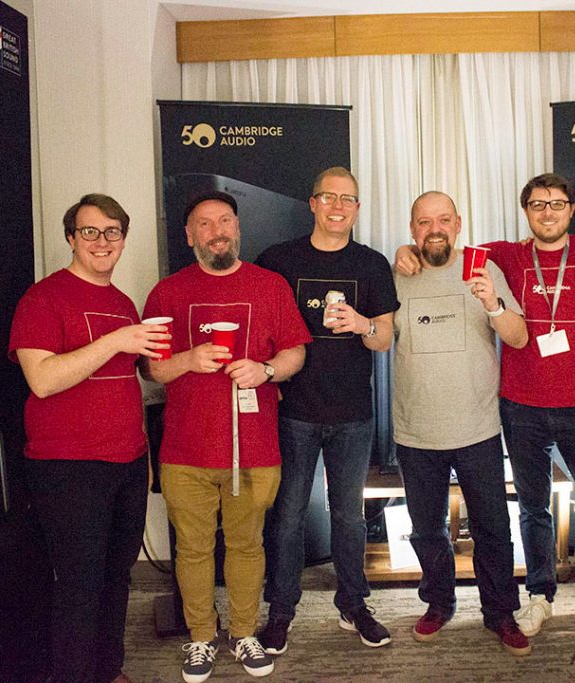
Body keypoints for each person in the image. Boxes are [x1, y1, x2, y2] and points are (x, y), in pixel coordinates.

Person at [395, 173, 575, 644]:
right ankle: (539, 595)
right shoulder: (503, 255)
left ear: (571, 211)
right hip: (521, 406)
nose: (547, 212)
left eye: (556, 204)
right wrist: (405, 251)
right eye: (537, 204)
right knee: (533, 509)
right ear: (526, 212)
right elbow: (441, 247)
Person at [141, 191, 310, 681]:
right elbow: (152, 370)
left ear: (237, 227)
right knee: (193, 550)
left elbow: (296, 352)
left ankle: (243, 633)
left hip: (255, 448)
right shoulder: (166, 293)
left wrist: (266, 370)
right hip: (185, 451)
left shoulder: (270, 286)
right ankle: (200, 637)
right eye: (205, 223)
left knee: (247, 546)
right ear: (189, 235)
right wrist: (189, 359)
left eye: (225, 221)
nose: (217, 231)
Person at [9, 193, 168, 683]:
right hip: (68, 468)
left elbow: (127, 388)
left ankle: (109, 670)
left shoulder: (122, 304)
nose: (102, 241)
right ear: (71, 238)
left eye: (112, 231)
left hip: (126, 463)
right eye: (90, 231)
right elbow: (42, 380)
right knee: (80, 587)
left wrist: (142, 456)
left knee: (117, 578)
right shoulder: (43, 299)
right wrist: (116, 341)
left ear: (123, 238)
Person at [255, 167, 399, 653]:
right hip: (294, 410)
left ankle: (354, 605)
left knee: (350, 518)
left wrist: (361, 323)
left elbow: (384, 339)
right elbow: (260, 330)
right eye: (329, 197)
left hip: (353, 414)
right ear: (312, 202)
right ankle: (280, 612)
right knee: (288, 516)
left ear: (357, 209)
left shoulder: (372, 264)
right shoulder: (278, 260)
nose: (338, 206)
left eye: (348, 199)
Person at [392, 191, 532, 656]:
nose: (434, 229)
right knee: (426, 530)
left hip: (478, 428)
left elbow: (519, 336)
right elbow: (380, 338)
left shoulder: (483, 269)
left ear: (458, 224)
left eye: (443, 220)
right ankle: (439, 603)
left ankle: (500, 612)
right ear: (412, 230)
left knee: (493, 528)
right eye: (424, 221)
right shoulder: (397, 274)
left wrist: (493, 303)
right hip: (416, 430)